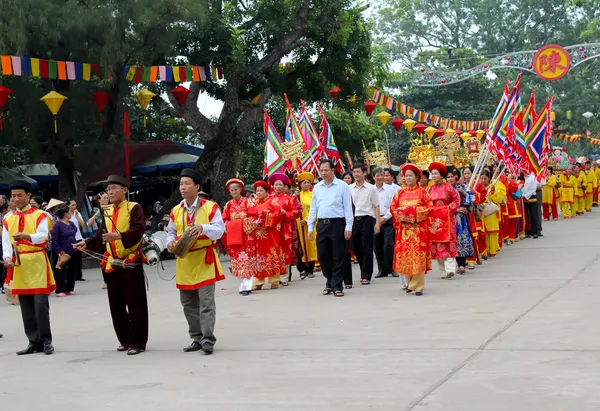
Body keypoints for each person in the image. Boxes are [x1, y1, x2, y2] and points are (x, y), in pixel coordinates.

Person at [74, 175, 148, 356]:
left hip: (131, 261)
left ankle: (137, 342)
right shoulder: (107, 211)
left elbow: (139, 230)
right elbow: (102, 235)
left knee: (135, 303)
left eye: (115, 188)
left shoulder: (134, 207)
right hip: (112, 262)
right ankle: (124, 339)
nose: (111, 192)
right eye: (109, 189)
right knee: (116, 304)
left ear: (125, 190)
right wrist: (87, 243)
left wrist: (119, 236)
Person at [165, 169, 225, 354]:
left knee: (206, 302)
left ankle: (208, 339)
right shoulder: (176, 210)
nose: (183, 187)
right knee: (188, 303)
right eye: (181, 184)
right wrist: (170, 243)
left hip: (204, 260)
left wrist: (203, 227)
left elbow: (220, 230)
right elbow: (170, 232)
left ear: (197, 187)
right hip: (185, 261)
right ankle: (196, 338)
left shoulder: (210, 207)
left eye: (187, 183)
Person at [3, 180, 55, 355]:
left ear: (28, 195)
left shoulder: (41, 215)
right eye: (13, 196)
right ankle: (33, 341)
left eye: (20, 195)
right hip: (19, 263)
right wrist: (7, 257)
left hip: (37, 260)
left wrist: (26, 236)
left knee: (40, 304)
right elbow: (5, 243)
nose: (16, 199)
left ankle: (46, 340)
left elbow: (42, 236)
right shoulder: (8, 218)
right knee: (25, 305)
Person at [308, 159, 353, 297]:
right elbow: (313, 208)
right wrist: (310, 227)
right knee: (323, 256)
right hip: (322, 225)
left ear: (333, 170)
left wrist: (348, 226)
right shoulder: (317, 187)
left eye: (326, 170)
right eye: (321, 171)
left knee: (338, 256)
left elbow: (347, 207)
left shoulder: (342, 186)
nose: (323, 173)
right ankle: (330, 280)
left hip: (338, 224)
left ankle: (337, 286)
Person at [390, 164, 432, 295]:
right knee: (405, 257)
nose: (407, 178)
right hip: (403, 231)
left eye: (410, 176)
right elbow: (393, 208)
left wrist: (411, 212)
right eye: (405, 176)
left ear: (416, 177)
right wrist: (402, 214)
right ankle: (409, 283)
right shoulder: (399, 193)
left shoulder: (423, 192)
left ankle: (418, 286)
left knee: (418, 257)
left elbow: (429, 208)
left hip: (418, 230)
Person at [222, 178, 257, 296]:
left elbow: (255, 217)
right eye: (232, 190)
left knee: (247, 260)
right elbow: (224, 220)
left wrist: (241, 224)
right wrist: (232, 225)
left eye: (236, 189)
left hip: (247, 236)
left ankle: (247, 286)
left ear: (241, 189)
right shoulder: (228, 205)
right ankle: (241, 286)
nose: (234, 192)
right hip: (234, 236)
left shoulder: (248, 202)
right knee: (237, 261)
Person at [427, 162, 460, 279]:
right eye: (432, 174)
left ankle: (450, 269)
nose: (434, 176)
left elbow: (456, 200)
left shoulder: (449, 187)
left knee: (449, 242)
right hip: (434, 221)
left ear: (441, 175)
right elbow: (425, 203)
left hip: (447, 219)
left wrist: (446, 210)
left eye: (436, 174)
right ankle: (443, 270)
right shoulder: (429, 189)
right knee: (437, 243)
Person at [250, 180, 285, 290]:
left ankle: (274, 280)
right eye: (257, 191)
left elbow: (279, 214)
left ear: (266, 192)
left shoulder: (272, 202)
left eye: (261, 191)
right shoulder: (252, 204)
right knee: (258, 257)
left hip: (270, 234)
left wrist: (267, 217)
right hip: (257, 235)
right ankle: (258, 282)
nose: (259, 193)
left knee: (271, 254)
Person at [268, 173, 302, 286]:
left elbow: (296, 212)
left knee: (285, 251)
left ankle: (284, 277)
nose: (278, 187)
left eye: (280, 184)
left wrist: (285, 213)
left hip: (286, 228)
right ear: (273, 186)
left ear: (284, 186)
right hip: (272, 229)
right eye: (276, 185)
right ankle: (274, 276)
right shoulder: (269, 199)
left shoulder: (289, 199)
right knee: (273, 251)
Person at [349, 164, 381, 285]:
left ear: (364, 173)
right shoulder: (349, 188)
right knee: (356, 246)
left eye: (358, 172)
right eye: (354, 172)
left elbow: (376, 205)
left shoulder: (371, 188)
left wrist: (377, 223)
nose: (356, 174)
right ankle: (363, 269)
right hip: (353, 219)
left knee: (367, 247)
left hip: (367, 219)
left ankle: (366, 274)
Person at [372, 167, 400, 280]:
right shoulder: (371, 189)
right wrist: (377, 219)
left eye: (382, 175)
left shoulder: (391, 189)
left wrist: (385, 217)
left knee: (389, 244)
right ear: (373, 177)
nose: (380, 177)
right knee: (377, 245)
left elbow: (394, 205)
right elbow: (370, 205)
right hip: (374, 219)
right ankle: (381, 269)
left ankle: (391, 268)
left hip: (388, 219)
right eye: (377, 175)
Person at [447, 168, 475, 275]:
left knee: (462, 239)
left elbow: (473, 199)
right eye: (448, 177)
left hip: (461, 219)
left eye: (452, 176)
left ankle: (462, 265)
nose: (450, 179)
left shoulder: (462, 187)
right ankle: (450, 266)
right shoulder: (444, 189)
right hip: (449, 218)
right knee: (451, 240)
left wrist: (463, 193)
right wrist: (455, 209)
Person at [51, 205, 78, 297]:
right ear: (66, 214)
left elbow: (75, 231)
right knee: (60, 270)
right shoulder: (57, 225)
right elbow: (54, 239)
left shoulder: (71, 223)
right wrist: (59, 251)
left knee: (72, 270)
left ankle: (69, 288)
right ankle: (60, 289)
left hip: (73, 249)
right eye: (69, 212)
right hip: (62, 251)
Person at [296, 172, 317, 280]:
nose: (306, 184)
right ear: (300, 184)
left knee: (310, 246)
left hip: (310, 224)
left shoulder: (313, 195)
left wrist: (307, 220)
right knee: (300, 246)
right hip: (298, 225)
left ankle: (310, 269)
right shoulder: (296, 196)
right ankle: (301, 269)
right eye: (304, 182)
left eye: (308, 182)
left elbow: (315, 209)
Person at [480, 171, 505, 257]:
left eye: (485, 179)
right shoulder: (477, 187)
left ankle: (492, 250)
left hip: (490, 211)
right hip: (480, 211)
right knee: (483, 232)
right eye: (482, 178)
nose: (483, 180)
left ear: (489, 179)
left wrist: (493, 192)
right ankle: (484, 251)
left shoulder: (492, 187)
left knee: (492, 231)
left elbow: (498, 199)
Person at [68, 199, 86, 281]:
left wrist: (77, 215)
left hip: (78, 237)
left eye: (75, 204)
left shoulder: (77, 213)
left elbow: (82, 224)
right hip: (70, 238)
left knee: (79, 258)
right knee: (72, 258)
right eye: (72, 205)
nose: (74, 206)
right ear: (68, 206)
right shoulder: (66, 215)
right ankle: (72, 275)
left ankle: (79, 275)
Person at [523, 173, 540, 238]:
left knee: (533, 215)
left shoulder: (532, 176)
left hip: (532, 196)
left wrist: (526, 196)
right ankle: (527, 231)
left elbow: (533, 188)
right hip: (523, 197)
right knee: (526, 215)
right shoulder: (520, 176)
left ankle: (534, 232)